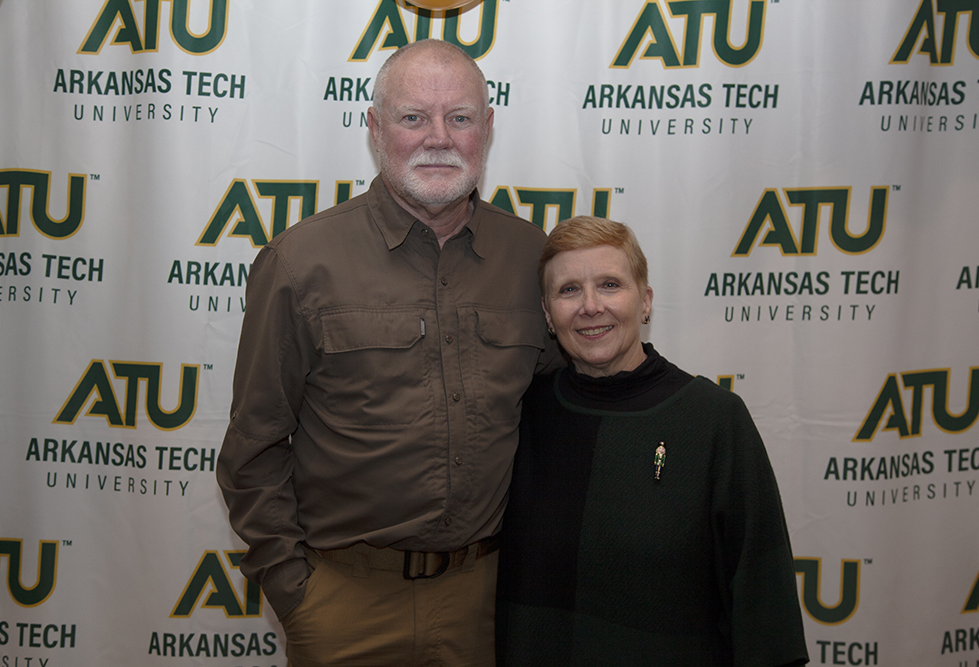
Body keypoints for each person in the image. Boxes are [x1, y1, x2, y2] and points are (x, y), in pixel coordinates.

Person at [216, 39, 557, 666]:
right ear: (375, 129)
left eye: (460, 117)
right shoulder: (300, 263)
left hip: (490, 603)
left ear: (487, 128)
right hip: (344, 605)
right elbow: (253, 448)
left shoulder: (532, 257)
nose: (438, 138)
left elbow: (564, 417)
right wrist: (297, 594)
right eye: (413, 117)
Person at [495, 216, 809, 666]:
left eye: (609, 285)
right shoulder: (522, 412)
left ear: (645, 301)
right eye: (568, 290)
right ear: (547, 313)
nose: (590, 306)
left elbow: (763, 600)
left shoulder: (712, 419)